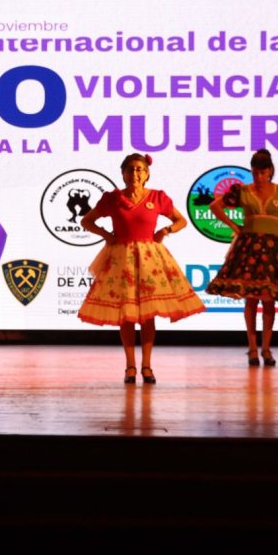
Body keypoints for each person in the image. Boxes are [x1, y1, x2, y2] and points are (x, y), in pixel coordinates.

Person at [78, 153, 205, 384]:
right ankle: (130, 367)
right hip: (121, 259)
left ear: (146, 174)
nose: (135, 173)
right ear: (123, 173)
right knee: (126, 315)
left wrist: (165, 231)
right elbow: (86, 220)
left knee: (148, 315)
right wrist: (106, 235)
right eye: (130, 169)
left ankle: (147, 365)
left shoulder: (157, 197)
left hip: (150, 261)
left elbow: (181, 220)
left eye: (139, 169)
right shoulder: (113, 198)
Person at [205, 149, 278, 366]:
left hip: (274, 249)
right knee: (251, 298)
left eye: (262, 172)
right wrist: (235, 227)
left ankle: (266, 348)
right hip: (249, 249)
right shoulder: (243, 190)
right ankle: (253, 349)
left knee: (269, 298)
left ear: (270, 171)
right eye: (255, 172)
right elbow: (215, 206)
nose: (258, 176)